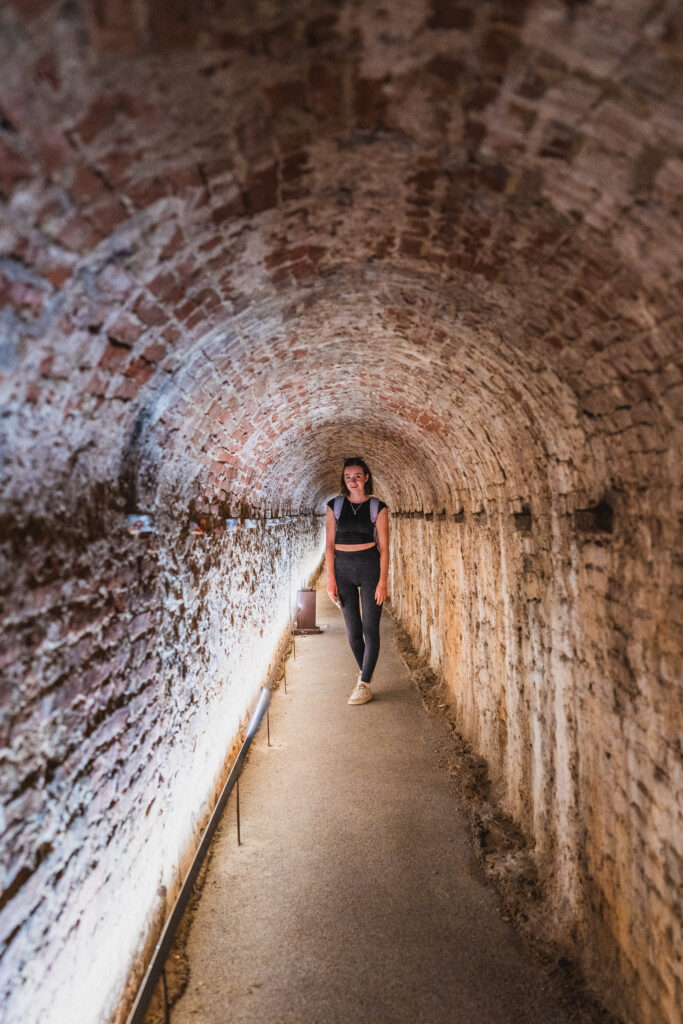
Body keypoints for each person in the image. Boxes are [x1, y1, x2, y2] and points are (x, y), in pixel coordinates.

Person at [325, 457, 389, 705]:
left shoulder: (377, 507)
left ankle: (363, 684)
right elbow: (329, 546)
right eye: (348, 477)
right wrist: (331, 580)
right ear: (344, 479)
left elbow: (384, 548)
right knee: (352, 632)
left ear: (366, 477)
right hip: (342, 571)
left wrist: (383, 581)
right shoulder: (335, 506)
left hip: (369, 569)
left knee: (370, 629)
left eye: (357, 476)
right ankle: (365, 672)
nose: (353, 481)